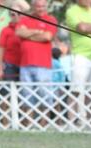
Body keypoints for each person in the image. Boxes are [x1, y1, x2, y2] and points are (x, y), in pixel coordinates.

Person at [16, 0, 57, 128]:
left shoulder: (51, 19)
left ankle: (43, 124)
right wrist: (38, 31)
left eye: (43, 6)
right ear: (33, 6)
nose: (40, 8)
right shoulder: (24, 19)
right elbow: (19, 32)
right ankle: (29, 124)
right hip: (25, 63)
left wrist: (28, 33)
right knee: (26, 94)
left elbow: (47, 37)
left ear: (46, 7)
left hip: (43, 63)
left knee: (44, 94)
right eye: (38, 6)